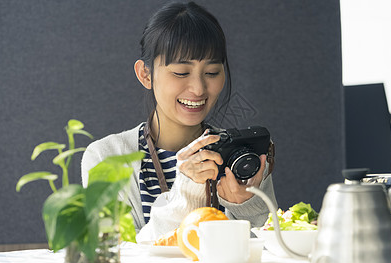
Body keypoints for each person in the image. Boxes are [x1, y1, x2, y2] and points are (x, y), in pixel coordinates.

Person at [81, 1, 275, 242]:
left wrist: (247, 205)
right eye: (181, 72)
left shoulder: (241, 155)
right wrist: (187, 192)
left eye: (212, 72)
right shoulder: (105, 157)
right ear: (145, 74)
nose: (198, 88)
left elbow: (272, 253)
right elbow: (118, 256)